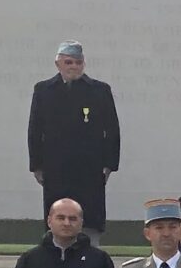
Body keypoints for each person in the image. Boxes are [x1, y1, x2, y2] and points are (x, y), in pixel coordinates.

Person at [26, 41, 120, 236]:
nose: (73, 67)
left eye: (78, 62)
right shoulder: (44, 90)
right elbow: (35, 129)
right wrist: (36, 165)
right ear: (58, 64)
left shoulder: (99, 90)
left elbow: (112, 130)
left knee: (89, 218)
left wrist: (109, 164)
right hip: (56, 167)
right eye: (68, 62)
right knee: (58, 215)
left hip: (89, 167)